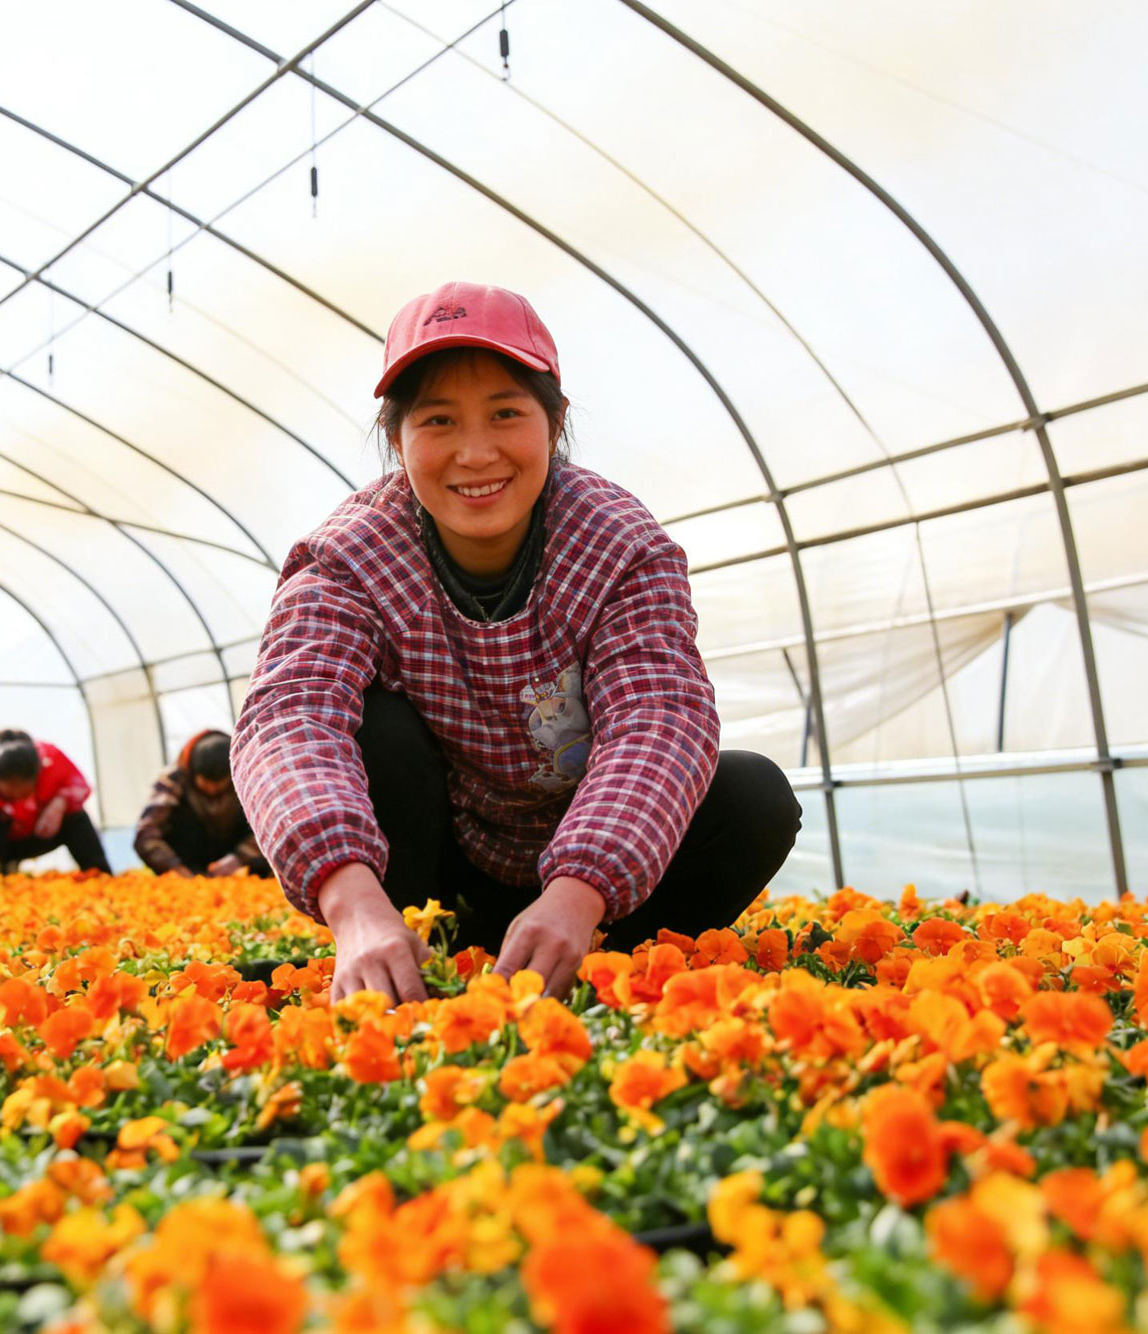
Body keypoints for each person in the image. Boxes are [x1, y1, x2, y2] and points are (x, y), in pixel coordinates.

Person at [232, 281, 799, 1002]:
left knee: (753, 797)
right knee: (379, 730)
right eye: (438, 420)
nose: (475, 454)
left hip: (596, 881)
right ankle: (413, 951)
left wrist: (580, 889)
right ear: (397, 436)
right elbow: (290, 713)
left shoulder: (619, 543)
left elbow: (658, 718)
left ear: (555, 423)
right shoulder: (349, 557)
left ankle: (597, 961)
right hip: (446, 871)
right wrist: (352, 905)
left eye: (506, 413)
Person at [0, 729, 111, 876]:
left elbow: (80, 785)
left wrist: (59, 804)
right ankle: (0, 877)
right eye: (11, 793)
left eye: (25, 791)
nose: (18, 798)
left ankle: (100, 875)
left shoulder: (50, 759)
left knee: (77, 817)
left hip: (40, 831)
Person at [134, 729, 270, 879]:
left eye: (218, 784)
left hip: (240, 866)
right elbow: (147, 833)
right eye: (206, 783)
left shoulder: (248, 776)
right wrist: (174, 867)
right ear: (193, 772)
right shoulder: (173, 779)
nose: (212, 790)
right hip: (186, 864)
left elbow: (271, 826)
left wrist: (239, 858)